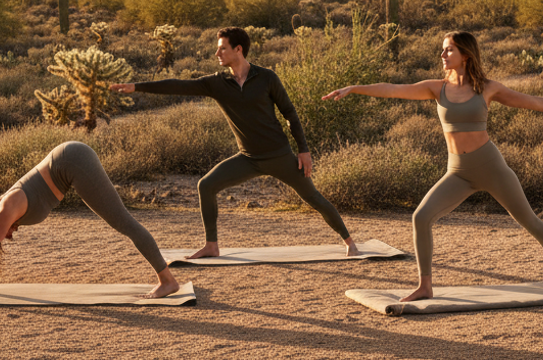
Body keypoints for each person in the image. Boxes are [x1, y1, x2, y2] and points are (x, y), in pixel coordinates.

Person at [322, 31, 543, 300]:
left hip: (491, 167)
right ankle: (425, 286)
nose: (442, 54)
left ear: (465, 54)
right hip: (458, 172)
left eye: (449, 49)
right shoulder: (436, 88)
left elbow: (532, 102)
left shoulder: (488, 88)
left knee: (529, 221)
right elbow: (395, 89)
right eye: (443, 49)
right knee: (421, 218)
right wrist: (355, 89)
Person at [110, 26, 360, 259]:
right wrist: (137, 87)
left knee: (313, 198)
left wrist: (303, 151)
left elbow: (290, 113)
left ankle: (349, 242)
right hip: (248, 159)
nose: (217, 52)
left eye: (222, 48)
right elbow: (178, 85)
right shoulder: (217, 84)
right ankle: (211, 246)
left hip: (279, 156)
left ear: (238, 49)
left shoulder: (266, 78)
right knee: (205, 185)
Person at [0, 141, 181, 299]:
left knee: (124, 222)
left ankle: (167, 281)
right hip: (69, 161)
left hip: (73, 161)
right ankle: (166, 278)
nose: (6, 237)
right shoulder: (3, 209)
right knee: (124, 223)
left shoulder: (5, 212)